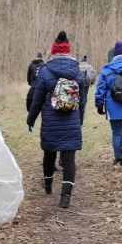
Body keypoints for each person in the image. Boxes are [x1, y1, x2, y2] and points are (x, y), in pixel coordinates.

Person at [26, 31, 85, 208]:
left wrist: (31, 120)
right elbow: (82, 101)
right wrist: (79, 120)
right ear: (69, 51)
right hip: (71, 121)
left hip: (51, 121)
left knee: (49, 155)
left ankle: (49, 185)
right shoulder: (77, 72)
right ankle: (65, 197)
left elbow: (36, 100)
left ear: (53, 51)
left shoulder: (45, 71)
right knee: (69, 160)